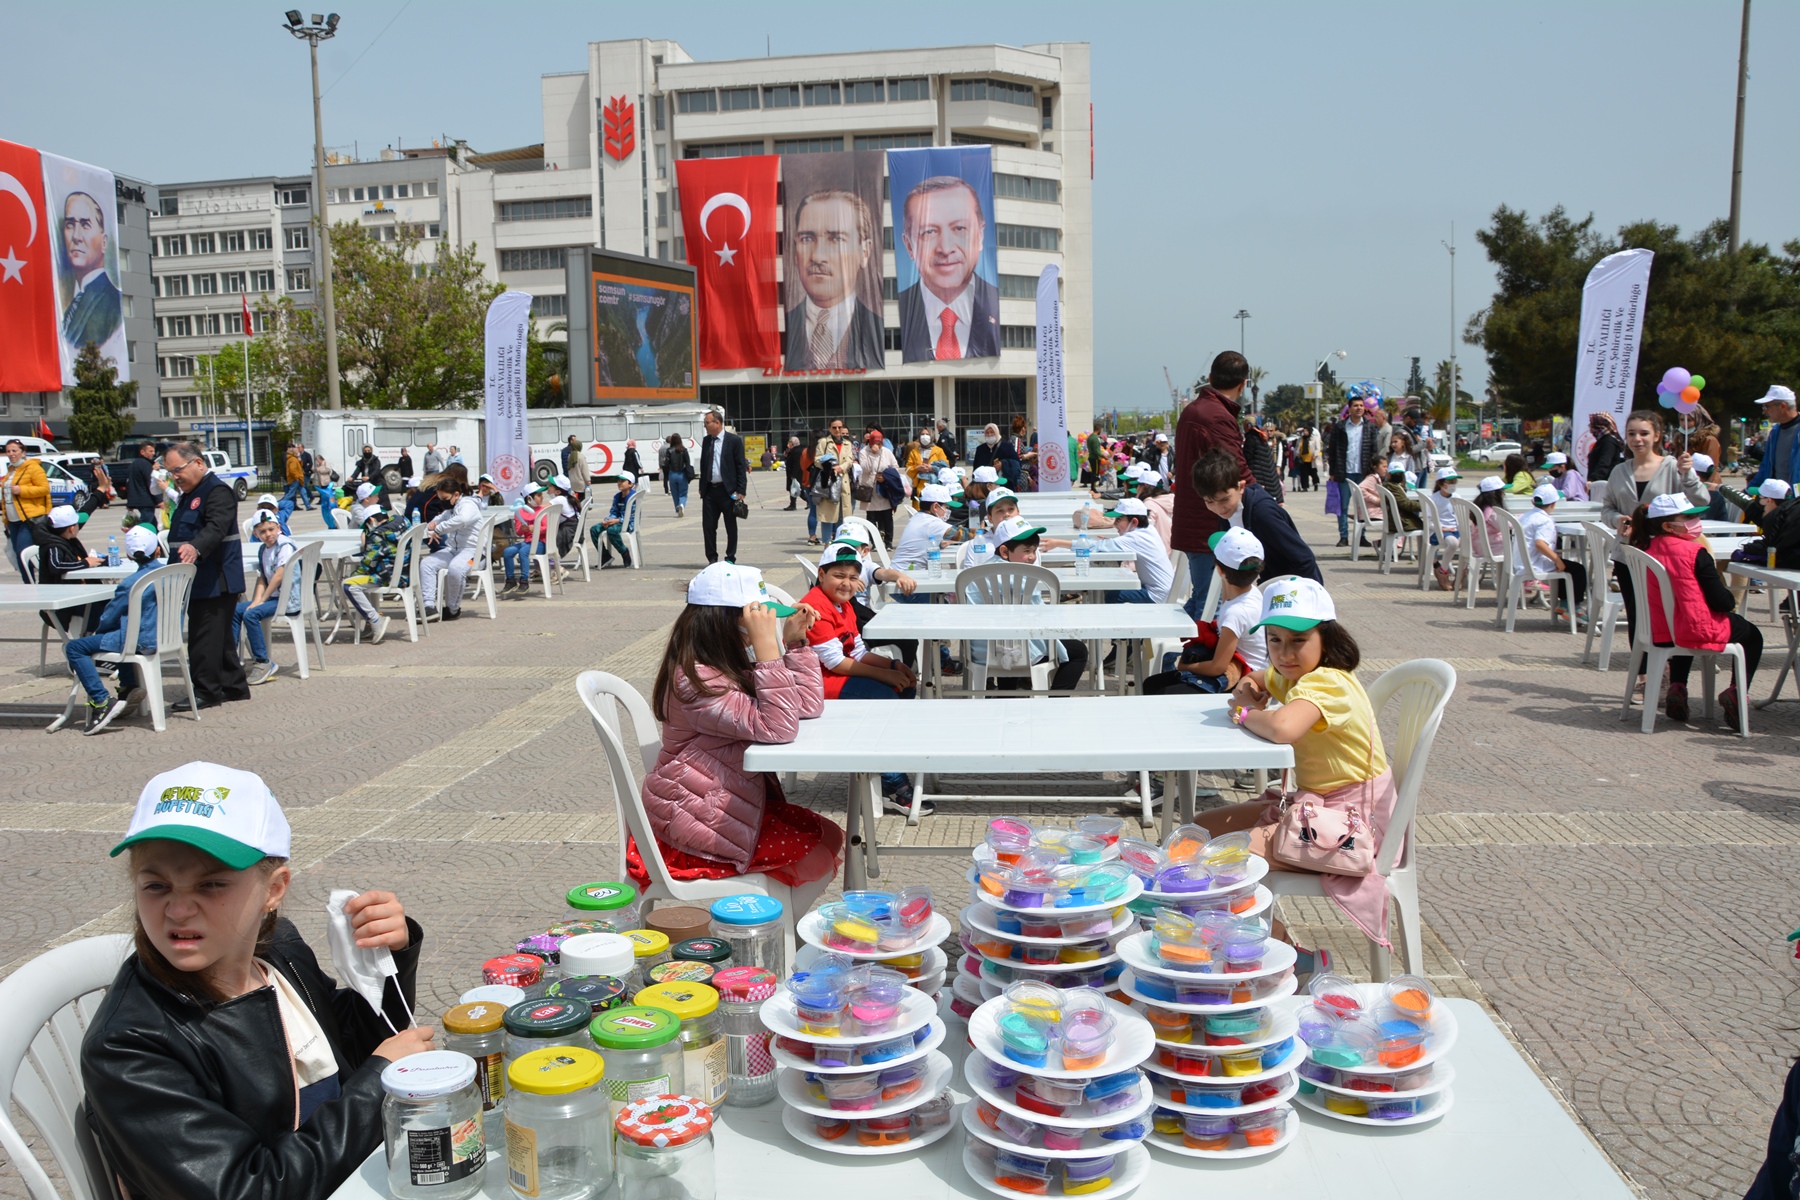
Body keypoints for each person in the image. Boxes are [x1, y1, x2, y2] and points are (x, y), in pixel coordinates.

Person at [81, 762, 431, 1200]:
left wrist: (387, 959)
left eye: (210, 884)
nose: (178, 909)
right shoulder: (130, 1045)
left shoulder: (278, 951)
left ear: (274, 889)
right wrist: (378, 1082)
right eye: (156, 886)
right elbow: (250, 1189)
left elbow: (351, 1048)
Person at [1205, 578, 1397, 962]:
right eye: (1274, 640)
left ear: (1327, 638)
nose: (1284, 653)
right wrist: (1248, 686)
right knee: (1202, 827)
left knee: (1217, 864)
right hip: (1318, 806)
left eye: (1298, 640)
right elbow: (1259, 678)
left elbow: (1281, 728)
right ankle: (1270, 948)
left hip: (1353, 824)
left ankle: (1285, 961)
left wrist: (1245, 712)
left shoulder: (1328, 681)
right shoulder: (1297, 673)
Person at [631, 563, 842, 888]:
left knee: (827, 836)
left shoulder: (725, 662)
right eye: (755, 622)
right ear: (724, 624)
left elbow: (807, 707)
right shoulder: (696, 679)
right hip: (691, 822)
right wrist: (768, 652)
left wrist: (795, 644)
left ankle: (779, 931)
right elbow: (780, 726)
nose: (760, 630)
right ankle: (775, 933)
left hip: (715, 805)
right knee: (815, 848)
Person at [802, 543, 920, 812]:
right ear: (821, 575)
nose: (847, 583)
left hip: (838, 675)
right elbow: (835, 662)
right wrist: (885, 675)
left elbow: (856, 650)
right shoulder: (815, 606)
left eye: (853, 577)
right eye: (839, 575)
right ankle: (892, 783)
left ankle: (881, 761)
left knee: (906, 685)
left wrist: (894, 665)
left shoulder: (844, 605)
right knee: (885, 696)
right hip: (818, 683)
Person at [1630, 492, 1763, 727]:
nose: (1694, 521)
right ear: (1668, 525)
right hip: (1693, 629)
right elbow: (1723, 602)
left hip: (1657, 630)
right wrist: (1730, 599)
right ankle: (1736, 692)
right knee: (1752, 635)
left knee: (1681, 626)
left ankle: (1678, 686)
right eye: (1687, 517)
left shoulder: (1641, 549)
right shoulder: (1694, 553)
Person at [1601, 409, 1708, 687]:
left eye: (1644, 433)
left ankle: (1672, 673)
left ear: (1657, 436)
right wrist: (1618, 520)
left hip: (1666, 555)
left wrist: (1689, 475)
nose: (1638, 439)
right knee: (1638, 614)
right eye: (1632, 433)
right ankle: (1644, 675)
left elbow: (1700, 500)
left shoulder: (1673, 466)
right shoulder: (1619, 470)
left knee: (1670, 611)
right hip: (1629, 555)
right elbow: (1607, 508)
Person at [164, 441, 249, 709]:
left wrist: (196, 547)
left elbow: (217, 526)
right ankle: (233, 685)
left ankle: (206, 691)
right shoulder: (190, 493)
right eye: (170, 473)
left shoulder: (216, 491)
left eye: (177, 470)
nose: (175, 477)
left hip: (215, 578)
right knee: (218, 637)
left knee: (204, 637)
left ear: (198, 463)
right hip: (196, 578)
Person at [54, 525, 161, 733]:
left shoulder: (131, 583)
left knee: (75, 648)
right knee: (123, 635)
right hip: (165, 636)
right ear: (157, 549)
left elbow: (108, 617)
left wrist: (99, 632)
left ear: (129, 556)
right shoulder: (173, 573)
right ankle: (128, 686)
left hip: (140, 639)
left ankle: (101, 701)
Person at [963, 516, 1088, 694]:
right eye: (1027, 550)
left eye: (1034, 550)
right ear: (1005, 552)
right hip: (1021, 652)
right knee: (1079, 651)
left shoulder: (978, 573)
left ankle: (1008, 699)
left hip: (982, 653)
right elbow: (1044, 616)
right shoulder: (1022, 577)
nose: (1031, 557)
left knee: (1011, 635)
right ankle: (1056, 703)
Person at [1174, 352, 1254, 616]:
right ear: (1243, 385)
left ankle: (1167, 653)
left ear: (1210, 378)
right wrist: (1263, 501)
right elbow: (1236, 469)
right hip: (1208, 523)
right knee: (1210, 606)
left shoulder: (1193, 410)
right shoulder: (1215, 415)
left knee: (1202, 599)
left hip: (1196, 521)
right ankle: (1194, 657)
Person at [1144, 527, 1268, 696]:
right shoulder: (1250, 594)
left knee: (1159, 689)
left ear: (1219, 569)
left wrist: (1185, 666)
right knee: (1153, 684)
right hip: (1245, 670)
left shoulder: (1237, 612)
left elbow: (1217, 667)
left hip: (1244, 679)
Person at [896, 176, 1000, 361]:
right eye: (929, 232)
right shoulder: (894, 310)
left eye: (959, 228)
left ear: (980, 235)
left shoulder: (999, 304)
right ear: (909, 246)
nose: (945, 248)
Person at [785, 188, 885, 369]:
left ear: (864, 252)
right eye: (807, 239)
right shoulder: (781, 329)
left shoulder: (879, 329)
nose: (817, 256)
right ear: (795, 250)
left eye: (836, 239)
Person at [1192, 449, 1323, 583]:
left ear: (1241, 487)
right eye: (1209, 502)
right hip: (1269, 584)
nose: (1219, 508)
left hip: (1296, 588)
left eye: (1224, 499)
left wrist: (1296, 593)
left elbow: (1304, 558)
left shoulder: (1263, 514)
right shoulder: (1228, 511)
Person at [233, 513, 305, 686]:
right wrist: (257, 600)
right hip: (272, 598)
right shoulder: (263, 549)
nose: (268, 534)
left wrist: (262, 600)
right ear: (256, 534)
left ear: (279, 528)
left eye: (271, 529)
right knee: (236, 610)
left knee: (251, 615)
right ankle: (229, 657)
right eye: (262, 531)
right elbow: (263, 579)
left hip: (286, 600)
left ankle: (264, 661)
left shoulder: (284, 546)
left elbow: (279, 575)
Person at [58, 191, 123, 352]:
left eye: (85, 225)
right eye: (70, 224)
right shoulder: (70, 307)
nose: (76, 236)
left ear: (104, 242)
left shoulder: (111, 302)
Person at [418, 476, 483, 620]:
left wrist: (438, 529)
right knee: (426, 564)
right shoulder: (452, 508)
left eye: (445, 498)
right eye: (440, 498)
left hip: (475, 554)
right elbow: (441, 517)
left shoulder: (468, 505)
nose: (442, 501)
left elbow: (462, 520)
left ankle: (453, 609)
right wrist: (433, 524)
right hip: (453, 550)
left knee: (456, 569)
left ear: (456, 495)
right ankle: (428, 606)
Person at [1520, 482, 1586, 619]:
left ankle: (1564, 602)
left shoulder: (1526, 516)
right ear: (1554, 504)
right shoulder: (1545, 521)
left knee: (1565, 567)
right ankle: (1574, 606)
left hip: (1521, 562)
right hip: (1536, 565)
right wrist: (1556, 559)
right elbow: (1540, 543)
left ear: (1533, 502)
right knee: (1577, 569)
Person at [341, 507, 402, 643]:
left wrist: (353, 575)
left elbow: (368, 563)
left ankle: (374, 618)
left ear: (371, 520)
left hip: (387, 575)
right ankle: (370, 622)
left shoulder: (376, 536)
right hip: (404, 571)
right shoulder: (402, 522)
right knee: (357, 581)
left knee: (348, 585)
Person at [1326, 401, 1382, 548]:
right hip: (1345, 472)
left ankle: (1361, 536)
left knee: (1362, 506)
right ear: (1349, 409)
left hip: (1363, 473)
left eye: (1361, 406)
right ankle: (1343, 536)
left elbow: (1373, 450)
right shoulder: (1340, 426)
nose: (1359, 408)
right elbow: (1332, 450)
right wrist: (1333, 471)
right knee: (1343, 506)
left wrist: (1373, 471)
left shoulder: (1369, 427)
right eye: (1355, 406)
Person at [1102, 497, 1174, 604]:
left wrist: (1068, 543)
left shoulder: (1136, 537)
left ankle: (1119, 620)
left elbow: (1097, 547)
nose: (1115, 524)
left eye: (1118, 520)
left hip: (1156, 594)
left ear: (1134, 521)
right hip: (1165, 589)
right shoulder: (1148, 529)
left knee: (1113, 596)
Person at [698, 411, 747, 564]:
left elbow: (740, 466)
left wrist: (741, 490)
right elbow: (704, 464)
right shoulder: (707, 441)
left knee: (730, 526)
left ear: (717, 423)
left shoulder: (734, 441)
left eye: (707, 423)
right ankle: (712, 558)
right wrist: (702, 488)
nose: (705, 426)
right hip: (710, 491)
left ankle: (730, 557)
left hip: (729, 491)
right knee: (708, 526)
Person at [2, 439, 51, 576]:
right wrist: (6, 520)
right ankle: (28, 583)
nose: (11, 454)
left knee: (23, 553)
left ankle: (34, 584)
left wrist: (22, 490)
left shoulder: (33, 468)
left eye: (14, 451)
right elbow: (6, 498)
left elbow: (44, 489)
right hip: (13, 521)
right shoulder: (11, 470)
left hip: (29, 519)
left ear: (23, 452)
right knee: (18, 556)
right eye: (8, 451)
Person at [1748, 385, 1800, 490]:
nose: (1764, 411)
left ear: (1783, 406)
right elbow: (1765, 467)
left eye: (1767, 406)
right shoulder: (1775, 433)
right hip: (1777, 499)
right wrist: (1749, 489)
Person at [856, 427, 901, 547]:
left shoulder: (887, 452)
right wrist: (873, 455)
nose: (877, 445)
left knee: (887, 516)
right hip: (869, 489)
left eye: (879, 443)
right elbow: (865, 468)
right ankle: (875, 543)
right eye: (874, 443)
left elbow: (895, 467)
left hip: (884, 488)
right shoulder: (863, 452)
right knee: (871, 517)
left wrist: (885, 476)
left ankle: (888, 542)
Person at [504, 484, 549, 593]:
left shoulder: (542, 510)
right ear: (529, 498)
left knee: (523, 552)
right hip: (528, 542)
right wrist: (524, 529)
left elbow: (547, 528)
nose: (542, 497)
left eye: (541, 495)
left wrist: (535, 528)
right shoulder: (519, 511)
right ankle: (510, 580)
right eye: (539, 495)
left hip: (541, 543)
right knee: (507, 551)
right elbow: (519, 533)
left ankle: (524, 581)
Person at [1427, 467, 1462, 589]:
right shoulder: (1433, 499)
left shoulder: (1457, 497)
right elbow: (1428, 521)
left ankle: (1462, 572)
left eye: (1455, 482)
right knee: (1453, 543)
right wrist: (1442, 529)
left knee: (1470, 543)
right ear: (1441, 483)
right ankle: (1443, 571)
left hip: (1456, 530)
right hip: (1440, 531)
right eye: (1450, 482)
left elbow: (1461, 516)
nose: (1453, 485)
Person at [594, 473, 638, 568]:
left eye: (622, 481)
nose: (619, 483)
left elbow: (631, 516)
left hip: (628, 523)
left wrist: (617, 521)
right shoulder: (617, 497)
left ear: (630, 484)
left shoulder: (633, 497)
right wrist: (607, 520)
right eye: (618, 481)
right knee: (594, 529)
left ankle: (624, 552)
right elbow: (613, 511)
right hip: (616, 522)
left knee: (612, 530)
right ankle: (605, 556)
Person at [1380, 460, 1425, 532]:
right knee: (1430, 527)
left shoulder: (1392, 485)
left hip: (1396, 520)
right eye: (1395, 474)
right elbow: (1405, 504)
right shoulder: (1391, 486)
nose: (1398, 476)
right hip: (1401, 522)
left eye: (1400, 474)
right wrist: (1424, 506)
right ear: (1388, 475)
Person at [1584, 412, 1627, 485]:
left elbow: (1604, 463)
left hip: (1604, 486)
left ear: (1599, 427)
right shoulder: (1603, 441)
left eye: (1591, 426)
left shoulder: (1608, 442)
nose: (1590, 429)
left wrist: (1594, 481)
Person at [905, 426, 950, 494]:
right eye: (922, 434)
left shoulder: (938, 451)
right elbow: (908, 469)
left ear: (932, 436)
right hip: (919, 486)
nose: (924, 436)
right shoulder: (914, 452)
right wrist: (917, 468)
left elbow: (946, 468)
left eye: (927, 434)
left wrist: (932, 468)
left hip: (936, 487)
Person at [125, 440, 159, 525]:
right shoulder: (145, 464)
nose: (153, 453)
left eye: (154, 451)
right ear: (142, 452)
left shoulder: (134, 464)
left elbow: (129, 483)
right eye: (150, 451)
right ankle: (140, 536)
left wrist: (130, 503)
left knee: (152, 523)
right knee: (146, 522)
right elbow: (151, 482)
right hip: (146, 500)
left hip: (139, 499)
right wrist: (159, 500)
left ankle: (155, 537)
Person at [663, 432, 692, 517]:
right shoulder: (684, 450)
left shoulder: (669, 451)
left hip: (672, 474)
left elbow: (666, 463)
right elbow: (688, 463)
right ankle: (682, 504)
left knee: (674, 493)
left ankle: (677, 507)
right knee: (683, 493)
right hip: (682, 474)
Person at [783, 436, 806, 510]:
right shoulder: (792, 450)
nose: (789, 444)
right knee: (793, 488)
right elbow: (790, 461)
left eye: (790, 443)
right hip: (793, 472)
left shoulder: (796, 451)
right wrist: (786, 456)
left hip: (796, 473)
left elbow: (797, 464)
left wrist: (794, 475)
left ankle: (809, 501)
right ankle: (793, 504)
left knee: (797, 489)